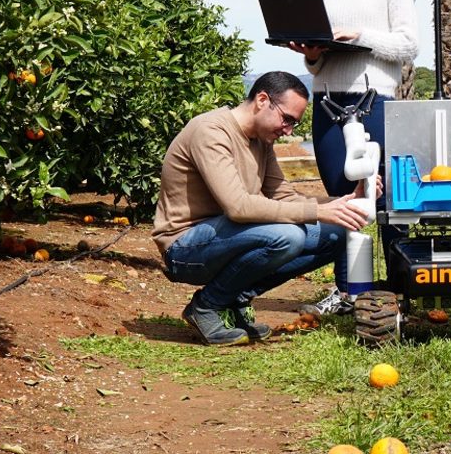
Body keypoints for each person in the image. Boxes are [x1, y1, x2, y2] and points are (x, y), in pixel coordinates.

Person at [151, 72, 371, 346]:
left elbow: (285, 197)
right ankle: (206, 307)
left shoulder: (261, 141)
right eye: (287, 119)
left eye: (295, 123)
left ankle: (235, 299)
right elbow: (238, 207)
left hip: (227, 238)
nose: (289, 130)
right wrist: (316, 212)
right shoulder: (211, 131)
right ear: (262, 100)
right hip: (185, 247)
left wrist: (346, 201)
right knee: (288, 236)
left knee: (336, 234)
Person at [287, 0, 419, 316]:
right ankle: (350, 293)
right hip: (328, 103)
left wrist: (360, 36)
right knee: (344, 201)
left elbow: (408, 45)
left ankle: (400, 289)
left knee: (387, 199)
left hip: (374, 101)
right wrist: (311, 54)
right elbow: (317, 65)